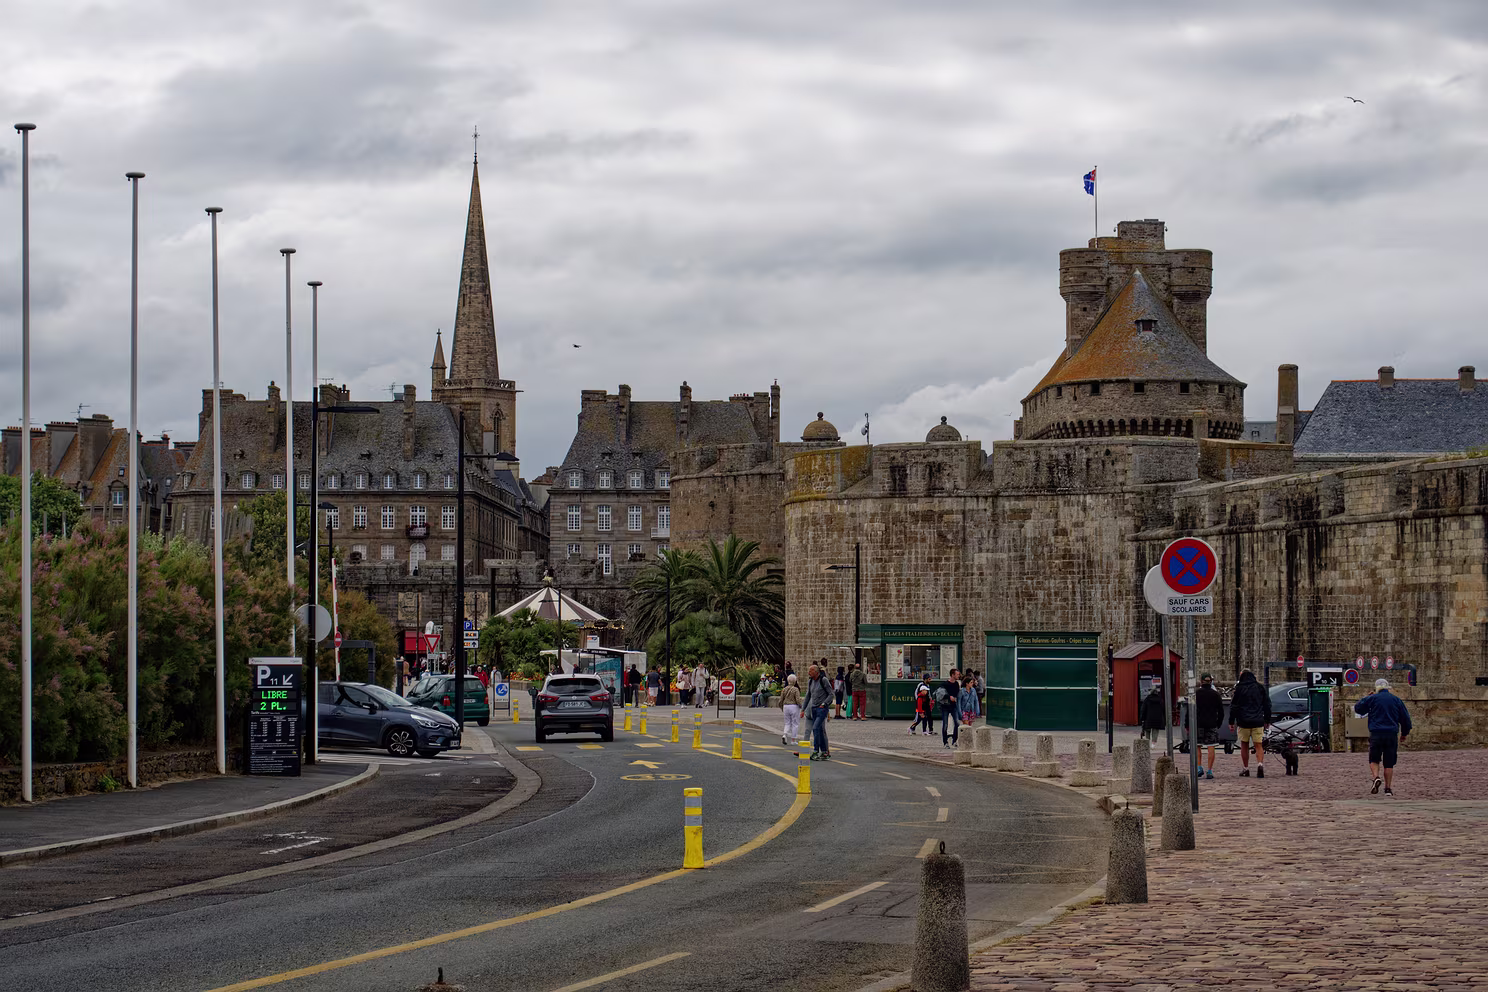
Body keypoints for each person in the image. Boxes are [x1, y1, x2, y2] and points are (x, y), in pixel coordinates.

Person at [1354, 678, 1412, 797]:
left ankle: (1376, 777)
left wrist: (1366, 697)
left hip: (1376, 733)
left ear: (1377, 688)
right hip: (1391, 734)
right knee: (1389, 763)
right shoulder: (1396, 700)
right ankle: (1388, 789)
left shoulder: (1372, 698)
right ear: (1387, 688)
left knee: (1374, 759)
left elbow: (1358, 709)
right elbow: (1405, 719)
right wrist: (1404, 733)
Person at [1228, 668, 1272, 778]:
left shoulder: (1239, 688)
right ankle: (1260, 764)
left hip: (1243, 721)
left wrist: (1231, 721)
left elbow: (1234, 706)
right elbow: (1267, 705)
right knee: (1258, 745)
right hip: (1257, 720)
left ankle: (1246, 768)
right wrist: (1267, 720)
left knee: (1244, 744)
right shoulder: (1260, 687)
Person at [1195, 674, 1224, 778]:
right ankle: (1210, 770)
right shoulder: (1215, 694)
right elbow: (1221, 711)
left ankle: (1199, 767)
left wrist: (1187, 724)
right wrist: (1218, 723)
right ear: (1210, 681)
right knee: (1211, 746)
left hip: (1198, 723)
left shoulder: (1196, 694)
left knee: (1197, 746)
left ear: (1201, 681)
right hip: (1212, 723)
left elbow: (1190, 709)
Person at [802, 664, 834, 759]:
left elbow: (831, 694)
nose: (808, 673)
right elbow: (808, 695)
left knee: (816, 728)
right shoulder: (810, 681)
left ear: (816, 672)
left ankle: (816, 751)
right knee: (819, 730)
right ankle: (824, 752)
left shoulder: (823, 680)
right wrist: (803, 709)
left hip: (821, 708)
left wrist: (824, 703)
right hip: (814, 708)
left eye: (810, 671)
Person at [938, 668, 962, 748]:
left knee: (957, 723)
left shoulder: (956, 684)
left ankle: (954, 740)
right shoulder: (945, 684)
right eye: (957, 674)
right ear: (952, 675)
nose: (958, 675)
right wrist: (949, 697)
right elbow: (940, 693)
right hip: (945, 706)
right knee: (945, 725)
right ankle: (945, 742)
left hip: (953, 706)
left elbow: (957, 694)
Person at [780, 673, 802, 744]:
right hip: (794, 706)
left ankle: (785, 734)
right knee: (795, 723)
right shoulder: (795, 689)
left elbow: (781, 699)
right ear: (795, 681)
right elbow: (798, 699)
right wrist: (801, 706)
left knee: (787, 723)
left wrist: (781, 707)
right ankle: (793, 740)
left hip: (786, 706)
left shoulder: (784, 689)